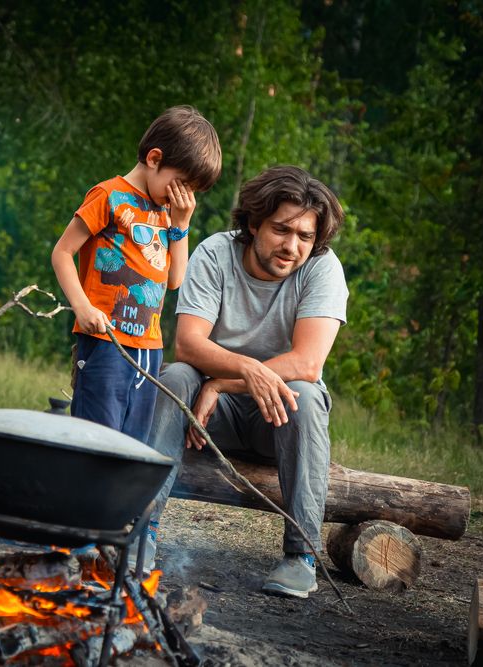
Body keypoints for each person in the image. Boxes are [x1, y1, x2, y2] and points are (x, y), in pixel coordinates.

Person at [145, 165, 348, 596]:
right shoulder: (216, 253)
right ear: (254, 223)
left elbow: (307, 363)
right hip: (205, 418)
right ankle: (140, 531)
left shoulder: (322, 269)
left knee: (306, 395)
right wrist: (233, 376)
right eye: (281, 230)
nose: (292, 246)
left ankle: (300, 557)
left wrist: (223, 382)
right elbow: (189, 345)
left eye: (305, 236)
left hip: (275, 422)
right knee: (177, 376)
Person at [51, 105, 222, 443]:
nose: (184, 197)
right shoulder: (108, 195)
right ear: (155, 158)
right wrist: (82, 307)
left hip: (149, 347)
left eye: (192, 192)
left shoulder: (166, 213)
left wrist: (181, 224)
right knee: (96, 437)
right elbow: (61, 253)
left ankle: (115, 498)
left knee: (133, 442)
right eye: (182, 184)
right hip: (105, 341)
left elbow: (175, 280)